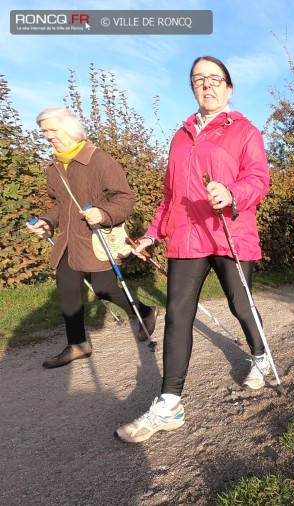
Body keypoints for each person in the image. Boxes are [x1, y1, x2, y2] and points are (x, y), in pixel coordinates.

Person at [116, 56, 270, 443]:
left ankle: (261, 355)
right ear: (192, 88)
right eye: (199, 79)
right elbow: (172, 197)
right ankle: (170, 403)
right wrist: (152, 234)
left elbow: (259, 179)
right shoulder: (180, 136)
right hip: (186, 237)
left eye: (215, 79)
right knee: (178, 316)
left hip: (228, 231)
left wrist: (232, 192)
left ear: (229, 88)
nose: (207, 85)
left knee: (239, 303)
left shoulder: (245, 131)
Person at [26, 107, 158, 369]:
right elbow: (59, 205)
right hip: (69, 240)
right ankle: (77, 344)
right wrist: (47, 221)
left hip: (99, 239)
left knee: (104, 290)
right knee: (67, 288)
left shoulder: (99, 160)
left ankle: (144, 311)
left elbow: (125, 198)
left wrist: (104, 213)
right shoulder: (53, 166)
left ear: (71, 129)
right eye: (44, 131)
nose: (49, 136)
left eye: (53, 130)